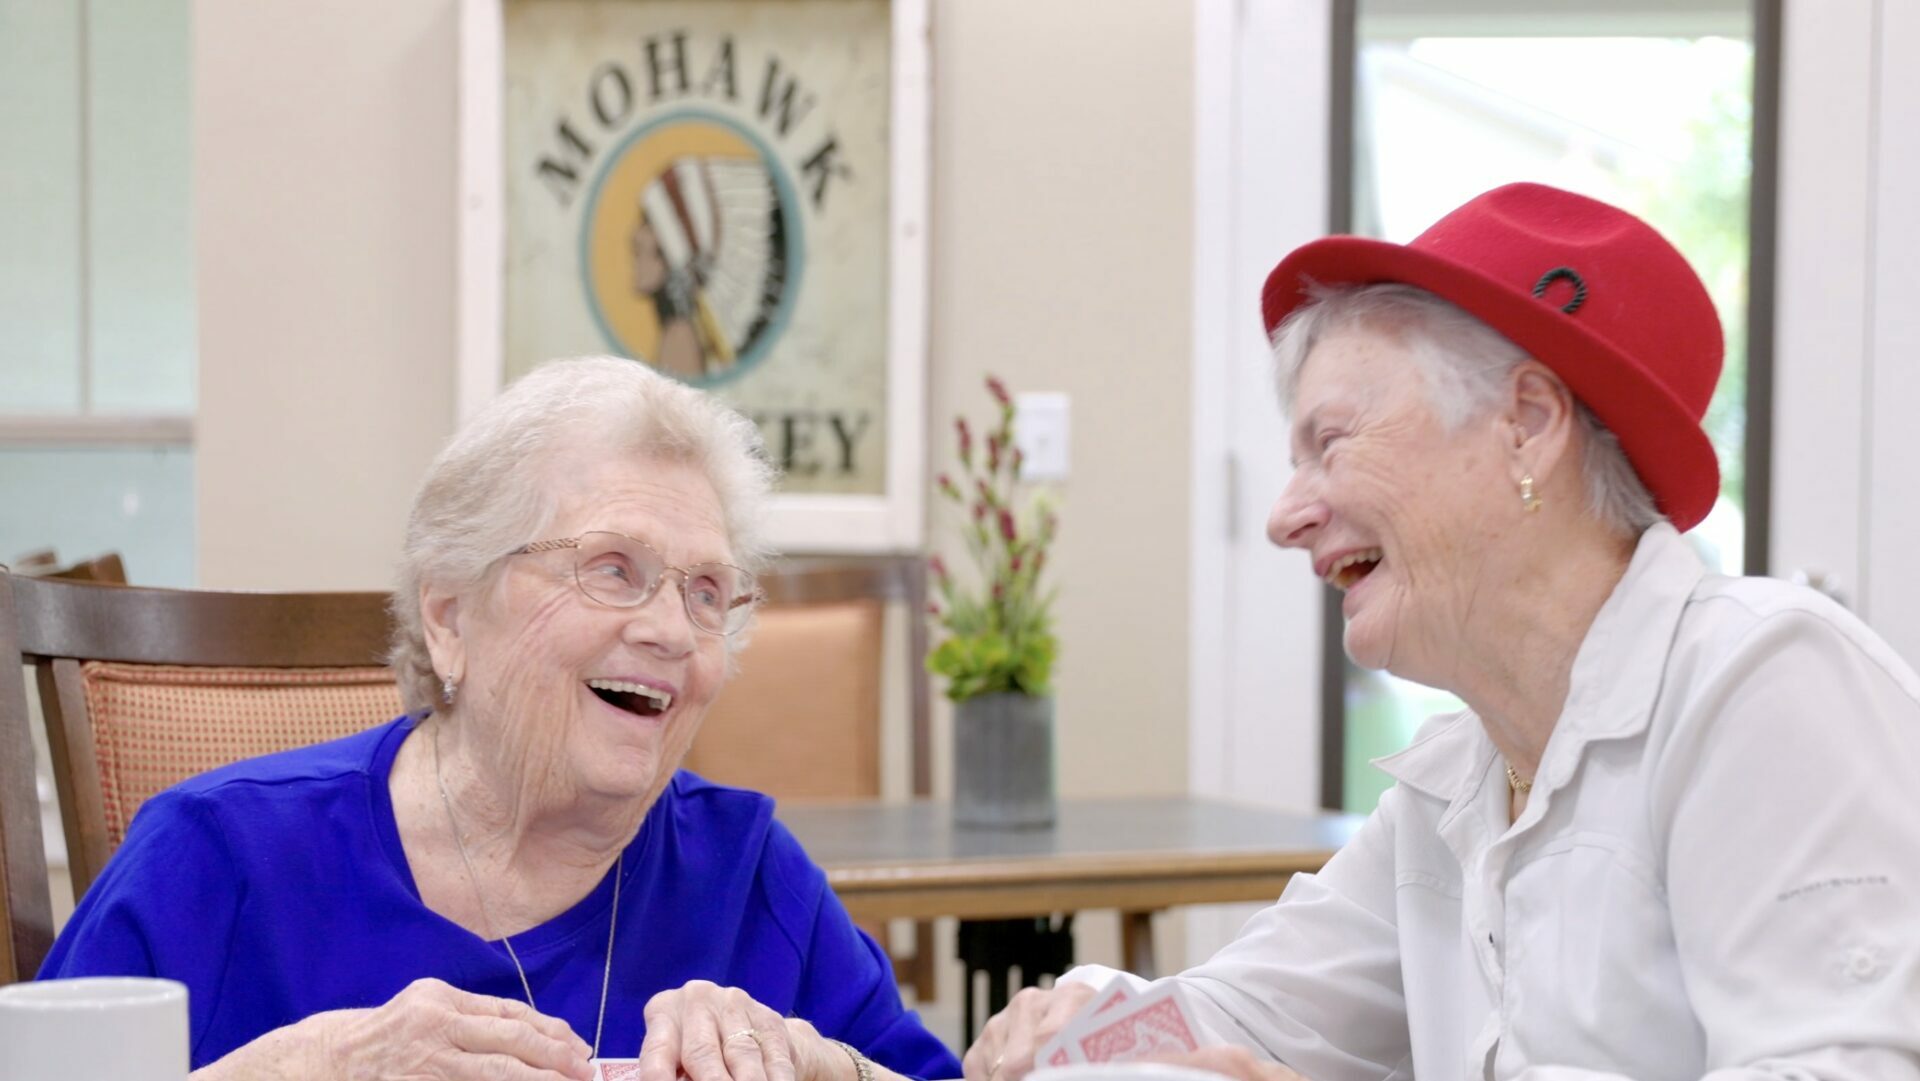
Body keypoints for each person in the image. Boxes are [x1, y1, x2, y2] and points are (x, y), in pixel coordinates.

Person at [964, 183, 1920, 1081]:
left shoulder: (1761, 681)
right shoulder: (1460, 777)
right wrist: (1082, 1026)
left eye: (1329, 442)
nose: (1285, 515)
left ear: (1527, 422)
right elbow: (1245, 1015)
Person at [41, 356, 962, 1081]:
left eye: (709, 591)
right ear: (448, 617)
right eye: (613, 568)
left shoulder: (746, 875)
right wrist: (301, 1068)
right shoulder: (219, 858)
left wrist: (819, 1066)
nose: (672, 630)